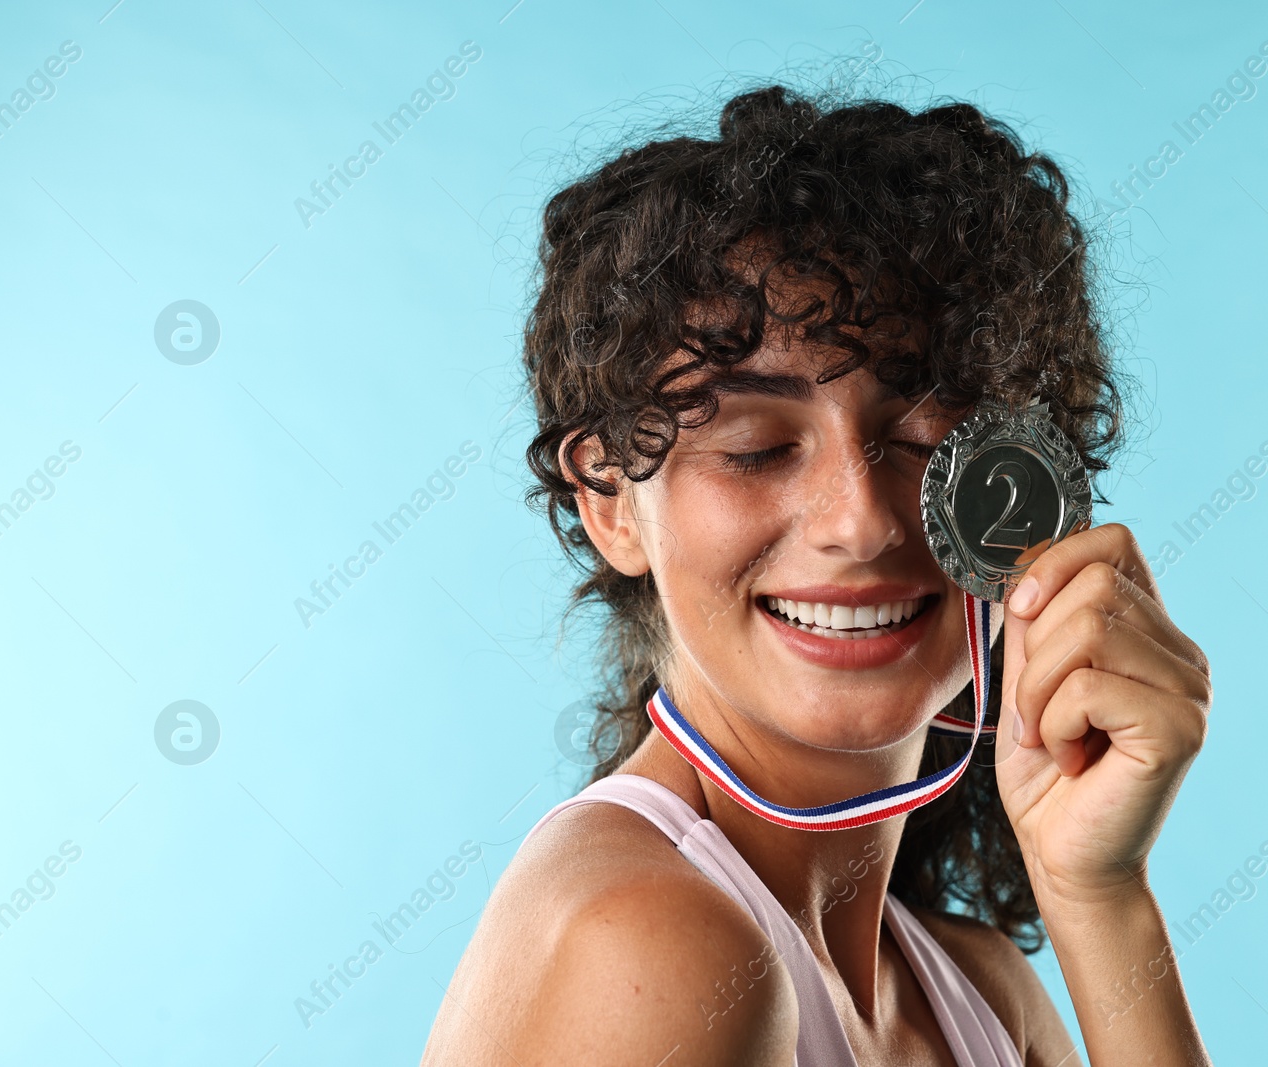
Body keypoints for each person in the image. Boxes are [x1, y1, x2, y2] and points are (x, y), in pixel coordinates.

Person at [422, 83, 1213, 1066]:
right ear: (612, 503)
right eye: (753, 445)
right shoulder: (650, 943)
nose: (862, 520)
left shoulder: (978, 990)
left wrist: (1100, 894)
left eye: (923, 435)